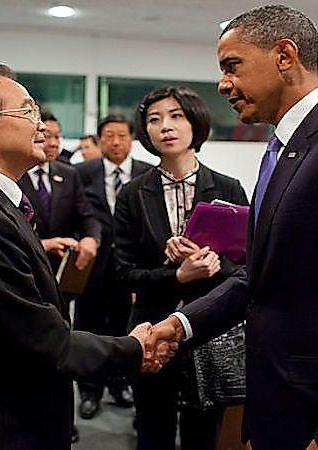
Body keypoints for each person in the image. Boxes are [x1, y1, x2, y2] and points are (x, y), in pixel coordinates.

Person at [150, 5, 318, 450]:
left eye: (232, 66)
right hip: (283, 408)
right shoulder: (285, 147)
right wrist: (180, 325)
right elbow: (259, 279)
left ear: (285, 55)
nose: (223, 85)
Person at [0, 63, 167, 450]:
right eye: (27, 112)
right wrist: (135, 347)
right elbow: (47, 344)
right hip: (0, 423)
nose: (43, 127)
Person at [115, 86, 248, 450]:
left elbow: (245, 269)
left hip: (208, 329)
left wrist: (213, 266)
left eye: (176, 116)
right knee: (152, 429)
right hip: (151, 327)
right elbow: (122, 273)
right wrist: (176, 275)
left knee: (203, 434)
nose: (165, 127)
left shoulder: (228, 188)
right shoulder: (132, 193)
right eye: (154, 120)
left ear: (195, 124)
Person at [74, 115, 152, 419]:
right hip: (92, 267)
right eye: (108, 136)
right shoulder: (80, 173)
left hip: (130, 268)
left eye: (121, 135)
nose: (116, 142)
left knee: (124, 328)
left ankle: (120, 386)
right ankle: (89, 391)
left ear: (132, 138)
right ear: (99, 139)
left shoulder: (147, 173)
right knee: (88, 328)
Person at [17, 112, 100, 272]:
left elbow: (86, 216)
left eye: (58, 137)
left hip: (62, 270)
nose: (54, 144)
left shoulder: (69, 174)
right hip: (25, 267)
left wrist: (91, 238)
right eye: (47, 136)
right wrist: (42, 245)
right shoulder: (14, 175)